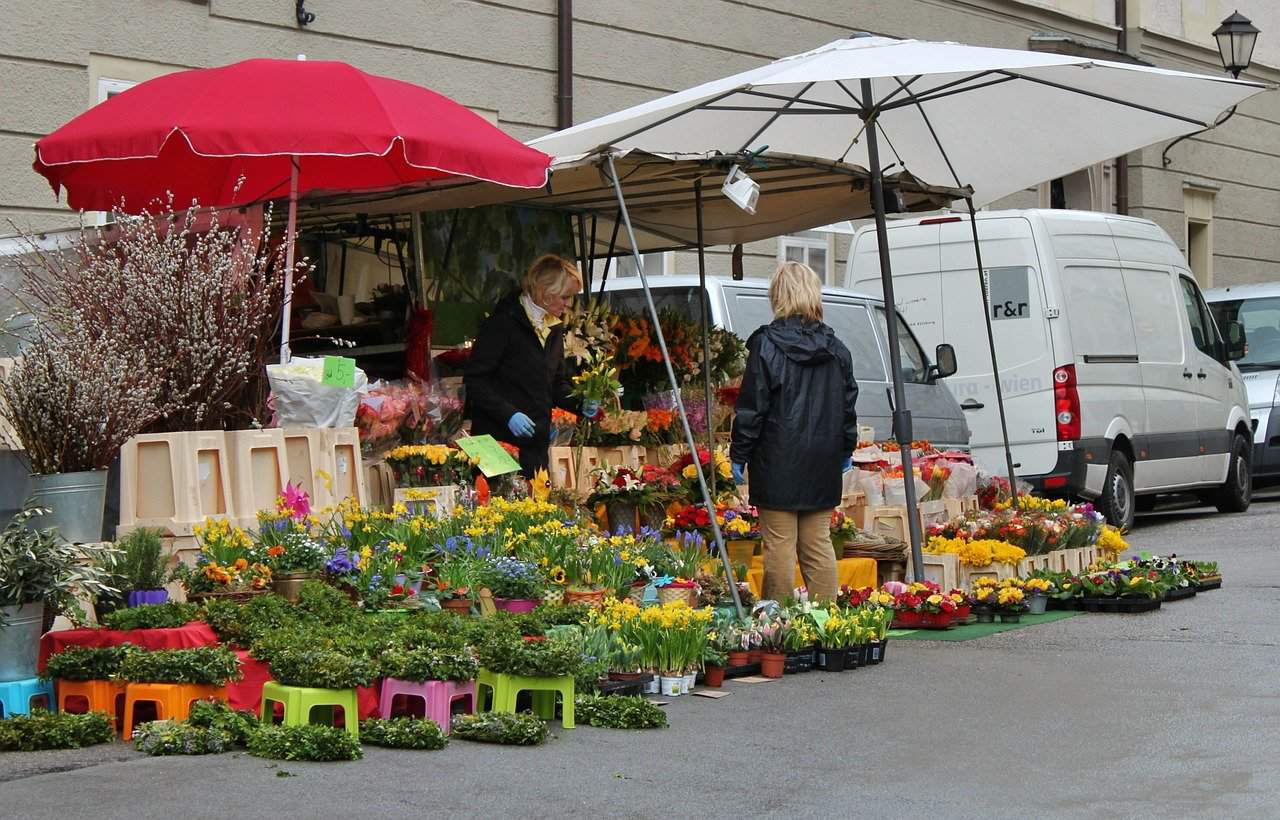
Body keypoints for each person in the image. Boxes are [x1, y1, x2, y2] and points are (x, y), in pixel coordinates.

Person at [730, 261, 858, 603]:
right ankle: (826, 622)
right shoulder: (837, 349)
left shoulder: (766, 345)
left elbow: (752, 407)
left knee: (780, 547)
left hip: (777, 460)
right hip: (823, 460)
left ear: (778, 296)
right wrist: (846, 449)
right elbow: (848, 407)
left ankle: (782, 627)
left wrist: (739, 455)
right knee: (818, 545)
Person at [464, 254, 600, 478]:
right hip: (495, 444)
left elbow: (555, 383)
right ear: (546, 292)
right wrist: (509, 414)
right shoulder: (503, 323)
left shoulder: (553, 328)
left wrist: (581, 402)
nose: (569, 305)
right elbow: (475, 380)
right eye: (565, 297)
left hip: (534, 445)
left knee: (536, 505)